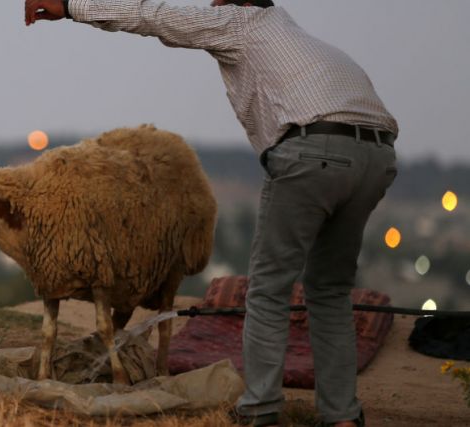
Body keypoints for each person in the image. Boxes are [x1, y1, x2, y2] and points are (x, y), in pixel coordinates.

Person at [23, 1, 398, 426]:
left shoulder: (240, 23)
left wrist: (73, 6)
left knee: (270, 289)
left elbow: (154, 15)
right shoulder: (307, 43)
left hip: (313, 152)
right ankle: (343, 417)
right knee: (330, 291)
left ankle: (259, 410)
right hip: (376, 156)